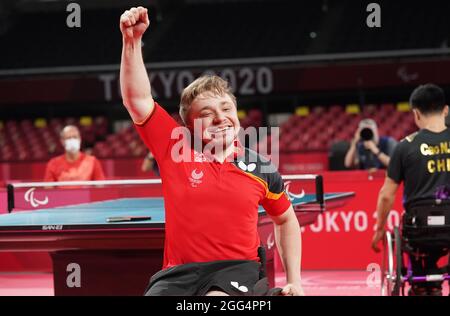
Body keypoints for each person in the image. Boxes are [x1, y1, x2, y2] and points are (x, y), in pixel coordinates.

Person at [119, 6, 303, 296]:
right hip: (177, 276)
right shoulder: (173, 147)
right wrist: (131, 42)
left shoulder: (261, 169)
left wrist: (295, 281)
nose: (220, 118)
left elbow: (286, 219)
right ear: (190, 126)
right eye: (207, 113)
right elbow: (137, 99)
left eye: (226, 108)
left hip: (236, 270)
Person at [371, 83, 450, 296]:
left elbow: (387, 195)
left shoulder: (404, 146)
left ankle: (423, 286)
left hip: (419, 230)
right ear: (446, 110)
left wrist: (379, 229)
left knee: (413, 236)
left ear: (415, 113)